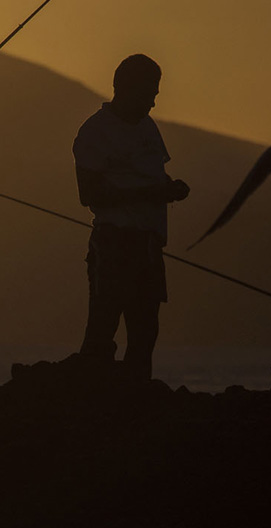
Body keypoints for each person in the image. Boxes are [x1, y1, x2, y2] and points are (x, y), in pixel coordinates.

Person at [73, 54, 189, 380]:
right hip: (113, 242)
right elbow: (89, 195)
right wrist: (152, 195)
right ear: (124, 89)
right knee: (103, 325)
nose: (153, 101)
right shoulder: (95, 132)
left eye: (155, 92)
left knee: (145, 328)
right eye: (148, 92)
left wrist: (170, 187)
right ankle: (91, 395)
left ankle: (136, 393)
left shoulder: (147, 128)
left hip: (149, 242)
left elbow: (152, 176)